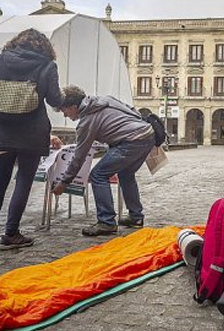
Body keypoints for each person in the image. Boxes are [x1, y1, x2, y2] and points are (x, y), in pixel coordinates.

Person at [0, 29, 63, 250]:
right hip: (31, 131)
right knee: (23, 180)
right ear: (44, 46)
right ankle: (11, 233)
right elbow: (55, 99)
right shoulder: (47, 65)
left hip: (0, 128)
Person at [53, 85, 155, 237]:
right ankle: (136, 217)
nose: (65, 115)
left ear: (74, 107)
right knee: (126, 174)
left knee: (98, 175)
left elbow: (79, 156)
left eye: (64, 111)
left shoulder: (86, 121)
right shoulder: (105, 100)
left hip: (131, 141)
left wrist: (64, 182)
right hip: (147, 134)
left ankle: (106, 222)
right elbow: (132, 111)